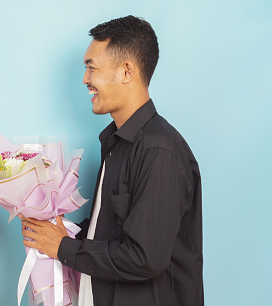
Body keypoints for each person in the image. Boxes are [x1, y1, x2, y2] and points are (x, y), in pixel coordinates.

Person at [20, 16, 203, 306]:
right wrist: (56, 230)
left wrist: (63, 247)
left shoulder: (159, 150)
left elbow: (144, 258)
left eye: (91, 67)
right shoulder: (118, 143)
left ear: (126, 72)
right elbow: (111, 229)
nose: (85, 79)